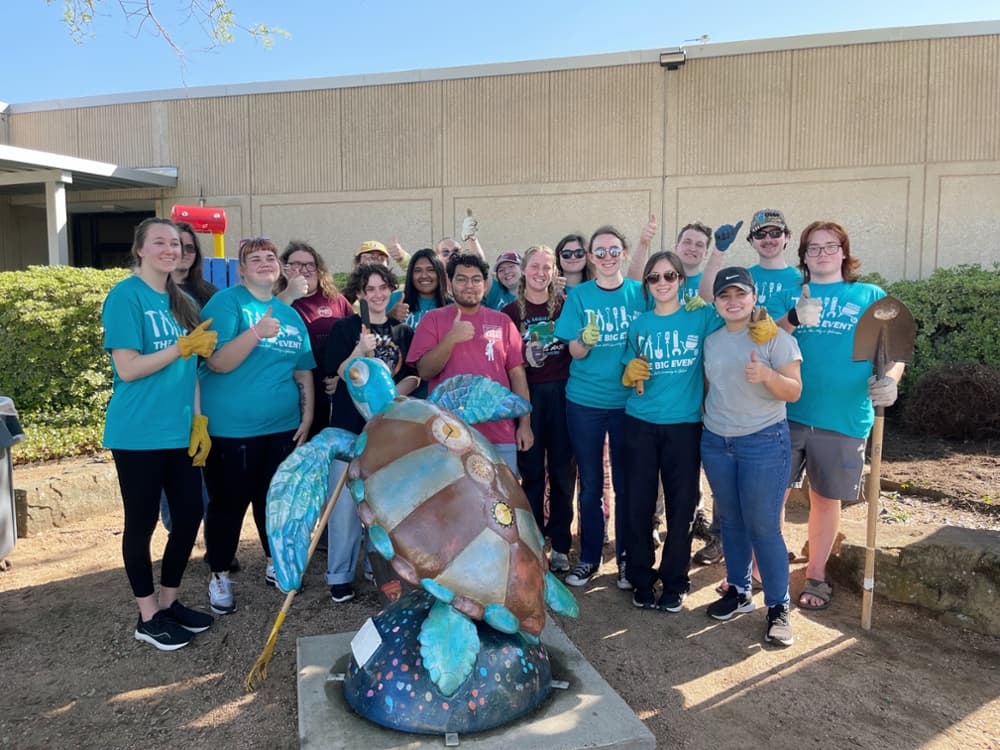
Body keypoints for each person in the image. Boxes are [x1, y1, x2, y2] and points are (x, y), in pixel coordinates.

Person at [102, 217, 217, 650]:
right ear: (140, 250)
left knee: (188, 516)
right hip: (137, 432)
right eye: (160, 243)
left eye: (177, 243)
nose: (171, 249)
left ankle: (169, 602)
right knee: (142, 523)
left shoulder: (180, 300)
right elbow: (128, 368)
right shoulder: (124, 296)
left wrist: (200, 420)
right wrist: (180, 347)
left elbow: (193, 372)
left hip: (178, 431)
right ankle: (147, 615)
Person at [776, 221, 904, 611]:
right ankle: (765, 565)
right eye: (813, 248)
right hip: (787, 411)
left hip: (843, 416)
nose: (822, 254)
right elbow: (766, 337)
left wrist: (891, 381)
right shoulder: (790, 292)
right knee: (771, 494)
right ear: (803, 257)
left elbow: (894, 351)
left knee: (825, 498)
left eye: (830, 246)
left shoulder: (869, 295)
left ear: (844, 252)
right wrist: (793, 317)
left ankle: (816, 573)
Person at [199, 237, 315, 615]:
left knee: (274, 500)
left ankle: (273, 561)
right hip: (232, 430)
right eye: (255, 258)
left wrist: (308, 415)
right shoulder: (229, 303)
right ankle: (218, 572)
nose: (265, 262)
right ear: (243, 269)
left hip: (281, 427)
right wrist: (254, 333)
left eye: (270, 257)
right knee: (228, 504)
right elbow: (216, 362)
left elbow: (302, 370)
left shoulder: (292, 315)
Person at [700, 267, 802, 647]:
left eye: (740, 294)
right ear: (716, 302)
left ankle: (778, 607)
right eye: (725, 295)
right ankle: (739, 591)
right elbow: (712, 388)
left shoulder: (775, 339)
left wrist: (767, 376)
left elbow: (793, 391)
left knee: (763, 526)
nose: (733, 301)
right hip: (717, 441)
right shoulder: (710, 341)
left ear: (753, 297)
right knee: (732, 522)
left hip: (763, 441)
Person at [619, 251, 725, 611]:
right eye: (654, 278)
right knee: (639, 504)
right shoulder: (639, 325)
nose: (662, 283)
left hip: (684, 425)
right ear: (647, 285)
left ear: (681, 280)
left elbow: (736, 318)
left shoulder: (701, 316)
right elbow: (626, 375)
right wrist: (629, 372)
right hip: (641, 424)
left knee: (682, 509)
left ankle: (676, 579)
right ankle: (640, 576)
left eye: (669, 276)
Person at [553, 225, 646, 588]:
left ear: (623, 253)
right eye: (600, 252)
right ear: (591, 258)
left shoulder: (640, 294)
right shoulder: (580, 296)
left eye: (613, 250)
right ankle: (589, 558)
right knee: (590, 483)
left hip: (629, 403)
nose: (607, 257)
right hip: (585, 401)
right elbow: (572, 350)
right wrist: (583, 342)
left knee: (626, 483)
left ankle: (625, 559)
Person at [324, 264, 419, 603]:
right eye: (370, 289)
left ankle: (373, 566)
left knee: (382, 505)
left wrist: (395, 396)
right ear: (360, 294)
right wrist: (360, 351)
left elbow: (412, 377)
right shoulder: (344, 328)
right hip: (349, 430)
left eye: (383, 288)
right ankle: (339, 575)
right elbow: (338, 372)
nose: (378, 295)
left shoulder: (403, 332)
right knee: (344, 508)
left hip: (387, 435)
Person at [407, 253, 532, 473]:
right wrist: (451, 339)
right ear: (450, 283)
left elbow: (517, 374)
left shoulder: (502, 321)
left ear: (485, 285)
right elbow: (425, 371)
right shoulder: (433, 320)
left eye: (476, 279)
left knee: (501, 503)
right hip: (448, 435)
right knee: (454, 505)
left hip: (499, 434)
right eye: (461, 279)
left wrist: (525, 425)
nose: (469, 285)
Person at [501, 246, 575, 573]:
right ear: (524, 269)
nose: (541, 272)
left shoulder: (567, 307)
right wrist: (522, 421)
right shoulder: (510, 313)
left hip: (563, 397)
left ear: (555, 271)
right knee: (531, 475)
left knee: (562, 472)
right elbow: (508, 368)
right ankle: (532, 543)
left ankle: (560, 544)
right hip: (528, 399)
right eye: (535, 266)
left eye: (547, 266)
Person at [276, 240, 353, 437]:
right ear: (285, 269)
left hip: (333, 386)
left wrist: (342, 377)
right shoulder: (278, 299)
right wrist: (289, 294)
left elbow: (355, 339)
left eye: (310, 265)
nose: (304, 270)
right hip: (294, 389)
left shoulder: (336, 299)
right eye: (296, 265)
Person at [700, 208, 802, 317]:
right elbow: (705, 298)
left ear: (787, 237)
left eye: (775, 233)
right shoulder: (741, 278)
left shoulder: (801, 280)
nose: (768, 239)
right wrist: (718, 251)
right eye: (760, 234)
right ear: (751, 241)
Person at [172, 221, 218, 307]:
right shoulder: (151, 291)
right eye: (178, 246)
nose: (184, 252)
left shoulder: (210, 293)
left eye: (190, 248)